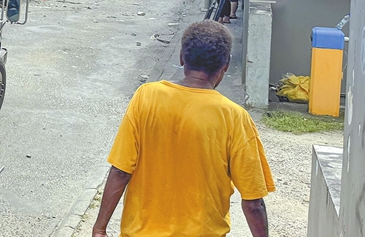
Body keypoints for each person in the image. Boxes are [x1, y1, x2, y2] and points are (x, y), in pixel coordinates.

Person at [91, 20, 273, 237]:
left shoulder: (146, 97)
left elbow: (121, 171)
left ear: (181, 58)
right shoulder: (234, 117)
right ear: (225, 65)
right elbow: (253, 203)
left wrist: (100, 228)